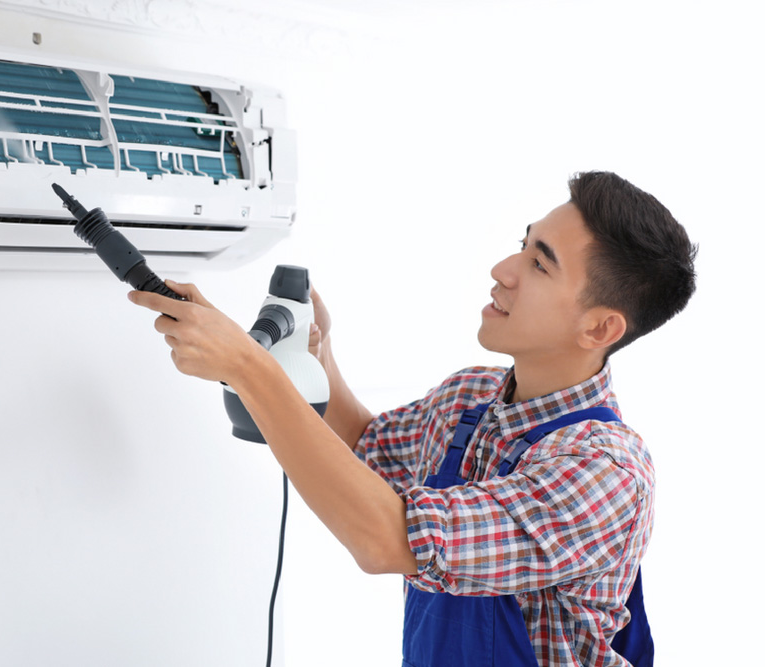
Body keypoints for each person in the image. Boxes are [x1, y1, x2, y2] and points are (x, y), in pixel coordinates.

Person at [127, 171, 697, 666]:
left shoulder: (605, 473)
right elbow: (366, 449)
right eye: (522, 245)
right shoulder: (470, 397)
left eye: (539, 265)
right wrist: (317, 356)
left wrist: (248, 368)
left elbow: (388, 538)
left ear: (599, 328)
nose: (502, 270)